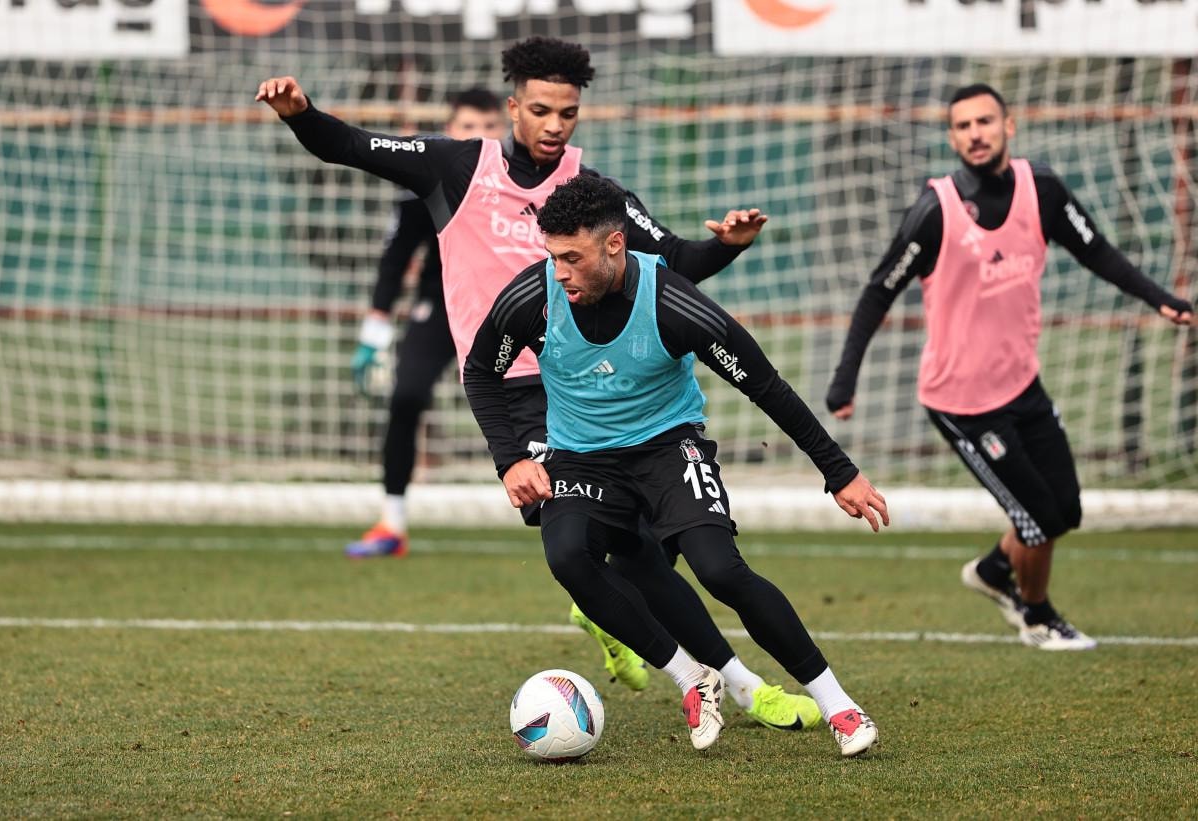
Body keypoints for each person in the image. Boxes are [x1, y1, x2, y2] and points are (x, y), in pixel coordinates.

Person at [256, 37, 823, 733]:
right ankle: (738, 686)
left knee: (646, 548)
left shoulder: (593, 193)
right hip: (514, 393)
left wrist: (726, 246)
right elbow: (350, 145)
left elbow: (674, 260)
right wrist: (300, 113)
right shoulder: (457, 166)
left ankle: (624, 619)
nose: (556, 125)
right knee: (633, 554)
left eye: (569, 113)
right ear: (513, 107)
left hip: (590, 389)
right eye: (542, 110)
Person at [464, 174, 889, 756]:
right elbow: (480, 371)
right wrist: (510, 460)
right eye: (552, 257)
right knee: (567, 556)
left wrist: (839, 473)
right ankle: (692, 678)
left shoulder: (673, 304)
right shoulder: (532, 298)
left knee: (719, 570)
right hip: (581, 458)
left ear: (615, 245)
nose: (559, 273)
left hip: (667, 447)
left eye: (572, 258)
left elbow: (765, 386)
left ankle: (839, 705)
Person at [825, 83, 1194, 651]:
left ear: (1008, 126)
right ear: (952, 138)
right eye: (963, 126)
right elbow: (879, 291)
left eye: (985, 121)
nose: (975, 133)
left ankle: (995, 571)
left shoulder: (1042, 190)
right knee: (1038, 520)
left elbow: (1095, 250)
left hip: (1022, 384)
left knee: (1065, 509)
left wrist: (1159, 299)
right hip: (962, 402)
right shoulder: (936, 210)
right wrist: (845, 379)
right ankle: (1038, 616)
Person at [345, 89, 505, 559]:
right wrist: (374, 333)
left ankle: (584, 517)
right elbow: (395, 258)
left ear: (504, 131)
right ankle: (391, 523)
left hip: (507, 313)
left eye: (489, 127)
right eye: (469, 127)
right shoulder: (425, 183)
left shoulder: (522, 183)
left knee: (547, 408)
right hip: (440, 309)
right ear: (450, 131)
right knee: (406, 396)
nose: (479, 137)